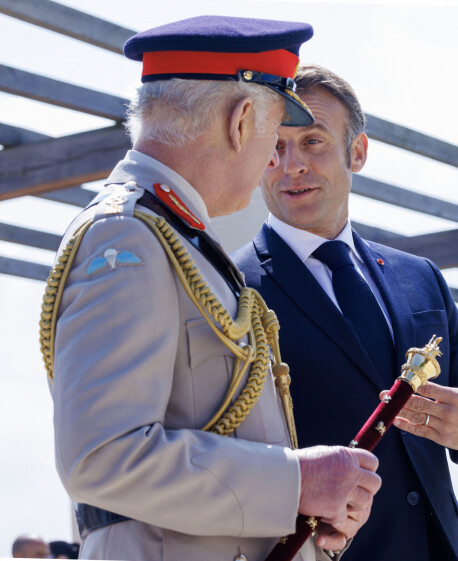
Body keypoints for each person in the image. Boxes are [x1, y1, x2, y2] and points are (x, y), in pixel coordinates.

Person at [40, 18, 381, 561]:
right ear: (242, 121)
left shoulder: (175, 238)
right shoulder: (125, 235)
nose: (275, 161)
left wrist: (302, 514)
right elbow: (101, 458)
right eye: (274, 136)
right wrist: (296, 482)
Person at [232, 63, 458, 561]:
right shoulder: (231, 289)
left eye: (313, 142)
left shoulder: (420, 278)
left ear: (358, 152)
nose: (291, 166)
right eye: (274, 148)